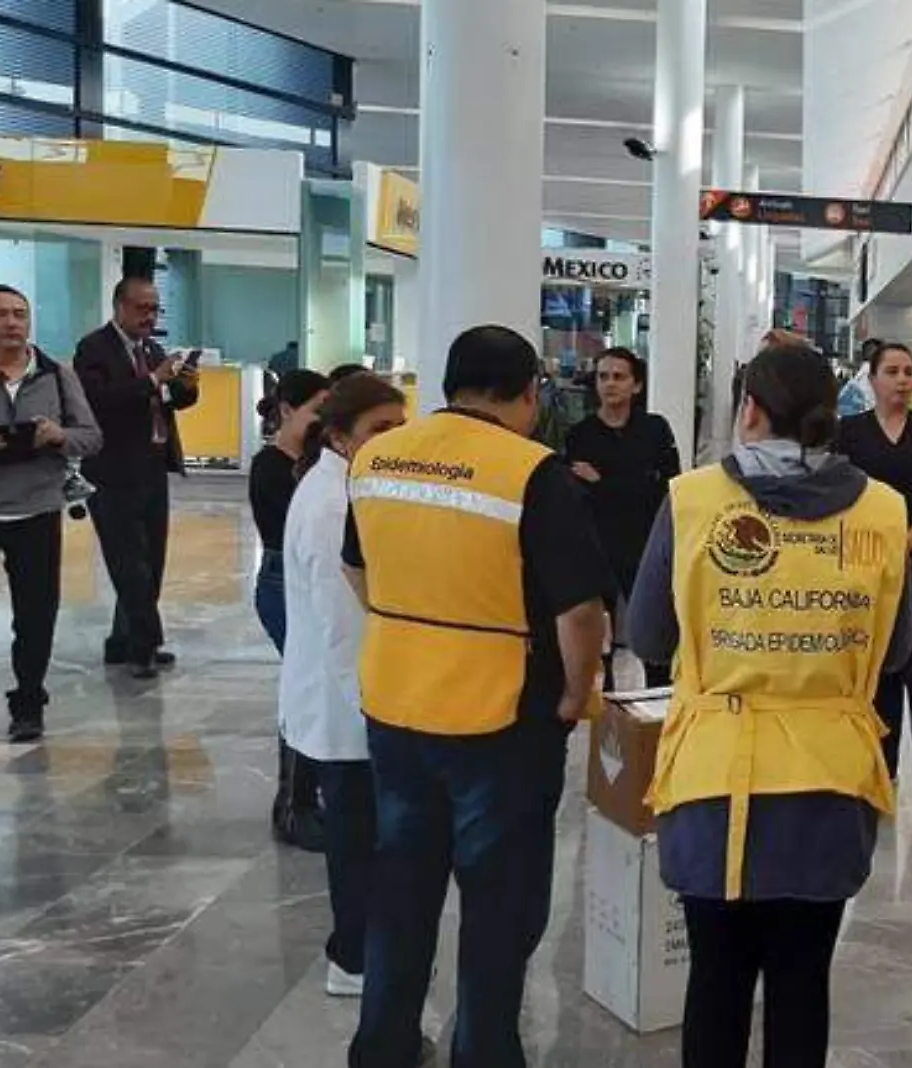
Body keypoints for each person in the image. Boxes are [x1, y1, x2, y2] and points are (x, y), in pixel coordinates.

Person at [627, 342, 912, 1068]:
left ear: (748, 409)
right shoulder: (883, 512)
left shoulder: (690, 499)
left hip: (714, 781)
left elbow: (649, 634)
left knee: (716, 981)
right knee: (801, 983)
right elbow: (899, 649)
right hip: (830, 783)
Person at [344, 325, 610, 1068]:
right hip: (502, 719)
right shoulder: (531, 471)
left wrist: (408, 629)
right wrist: (575, 697)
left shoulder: (375, 458)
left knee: (401, 887)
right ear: (528, 393)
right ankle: (485, 1052)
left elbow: (355, 568)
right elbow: (580, 611)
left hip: (395, 705)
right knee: (498, 903)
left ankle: (383, 1047)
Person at [279, 375, 410, 1009]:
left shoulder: (347, 486)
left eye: (400, 428)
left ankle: (358, 950)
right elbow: (343, 628)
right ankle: (353, 957)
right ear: (339, 436)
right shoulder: (333, 506)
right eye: (380, 430)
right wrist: (378, 711)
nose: (394, 441)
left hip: (349, 704)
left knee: (360, 835)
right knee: (357, 839)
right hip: (349, 709)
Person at [0, 285, 102, 742]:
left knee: (35, 617)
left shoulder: (56, 375)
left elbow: (91, 437)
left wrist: (57, 437)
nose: (12, 323)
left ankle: (29, 704)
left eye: (20, 314)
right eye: (0, 315)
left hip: (36, 513)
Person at [837, 342, 912, 808]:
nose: (903, 379)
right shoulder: (848, 433)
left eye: (910, 371)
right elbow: (842, 495)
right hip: (865, 566)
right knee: (879, 670)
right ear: (872, 379)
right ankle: (880, 768)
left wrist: (904, 543)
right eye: (892, 371)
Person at [74, 276, 200, 680]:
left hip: (151, 466)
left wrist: (185, 387)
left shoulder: (152, 349)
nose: (150, 317)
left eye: (155, 309)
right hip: (111, 472)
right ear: (119, 307)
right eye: (142, 308)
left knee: (152, 559)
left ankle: (122, 641)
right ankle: (144, 646)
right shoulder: (94, 349)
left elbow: (165, 401)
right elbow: (98, 404)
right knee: (129, 563)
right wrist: (153, 380)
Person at [563, 347, 681, 691]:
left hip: (646, 543)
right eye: (603, 377)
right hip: (598, 545)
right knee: (600, 639)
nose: (610, 384)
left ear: (636, 385)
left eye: (619, 377)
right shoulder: (580, 435)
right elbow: (576, 494)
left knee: (655, 631)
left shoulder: (654, 430)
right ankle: (608, 712)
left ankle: (658, 702)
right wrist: (635, 483)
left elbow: (668, 486)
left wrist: (604, 482)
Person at [250, 368, 331, 853]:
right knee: (304, 685)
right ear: (288, 411)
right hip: (284, 584)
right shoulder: (272, 466)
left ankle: (311, 795)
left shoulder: (316, 464)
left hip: (306, 580)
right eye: (318, 408)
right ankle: (292, 802)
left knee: (317, 685)